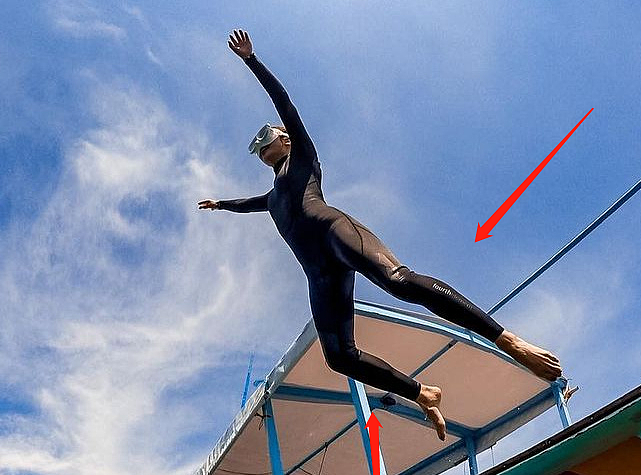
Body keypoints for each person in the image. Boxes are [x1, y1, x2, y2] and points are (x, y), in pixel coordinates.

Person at [199, 30, 563, 440]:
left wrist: (252, 61)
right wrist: (221, 204)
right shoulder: (271, 196)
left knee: (397, 282)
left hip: (335, 232)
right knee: (339, 356)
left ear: (284, 137)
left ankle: (509, 341)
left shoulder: (302, 156)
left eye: (266, 138)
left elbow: (285, 103)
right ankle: (422, 392)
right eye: (256, 146)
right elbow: (249, 204)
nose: (262, 147)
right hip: (319, 273)